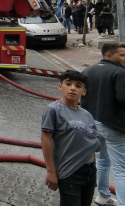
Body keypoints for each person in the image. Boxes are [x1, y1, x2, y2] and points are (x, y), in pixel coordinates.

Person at [41, 70, 101, 206]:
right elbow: (45, 139)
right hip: (70, 172)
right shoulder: (53, 110)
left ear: (84, 92)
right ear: (60, 86)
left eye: (78, 86)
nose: (73, 88)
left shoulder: (87, 115)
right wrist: (51, 171)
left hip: (89, 171)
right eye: (68, 84)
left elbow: (94, 142)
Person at [81, 42, 125, 206]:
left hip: (93, 123)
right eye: (122, 55)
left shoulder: (88, 70)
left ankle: (103, 196)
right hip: (114, 126)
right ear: (109, 56)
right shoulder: (120, 73)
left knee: (102, 160)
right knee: (121, 169)